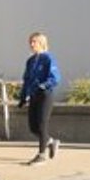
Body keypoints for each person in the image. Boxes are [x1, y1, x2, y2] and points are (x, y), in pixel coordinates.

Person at [17, 32, 61, 165]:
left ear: (41, 43)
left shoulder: (48, 58)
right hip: (34, 95)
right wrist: (23, 96)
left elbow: (55, 78)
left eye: (34, 42)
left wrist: (44, 86)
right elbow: (27, 80)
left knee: (42, 124)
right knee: (33, 127)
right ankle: (51, 141)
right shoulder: (30, 61)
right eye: (30, 42)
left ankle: (41, 155)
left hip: (45, 95)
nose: (31, 44)